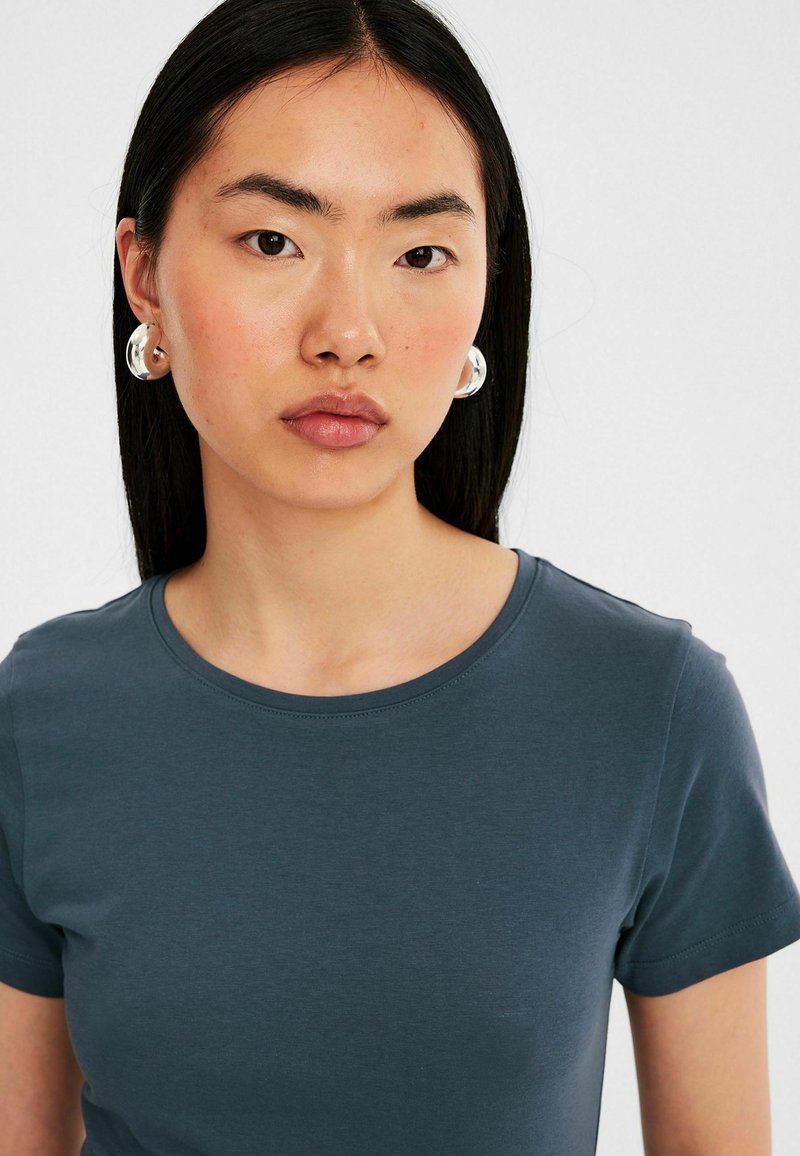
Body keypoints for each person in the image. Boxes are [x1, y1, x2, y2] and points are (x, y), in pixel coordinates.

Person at [1, 0, 798, 1153]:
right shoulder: (43, 716)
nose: (347, 331)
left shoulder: (647, 705)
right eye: (273, 241)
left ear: (484, 293)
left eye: (419, 253)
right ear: (145, 278)